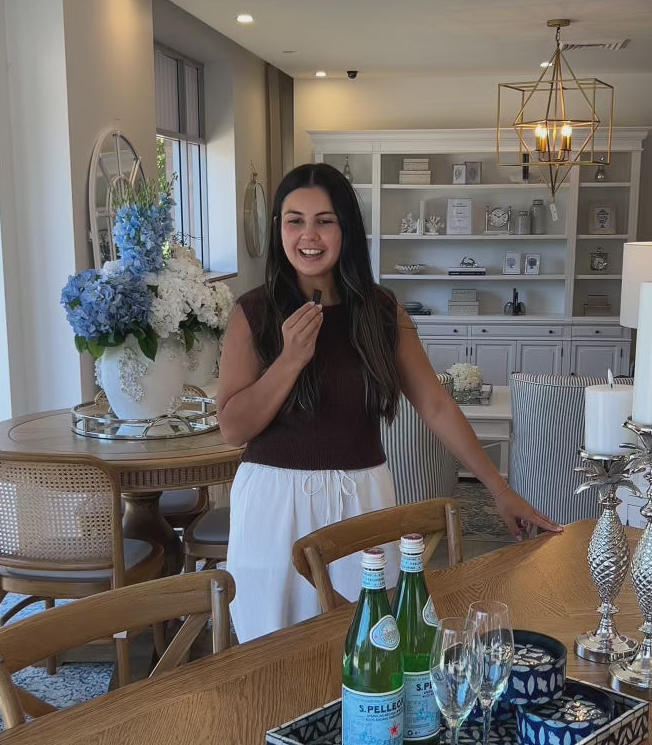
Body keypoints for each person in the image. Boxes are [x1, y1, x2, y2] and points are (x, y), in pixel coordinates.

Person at [217, 163, 561, 643]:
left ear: (347, 229)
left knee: (374, 653)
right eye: (294, 220)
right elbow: (233, 428)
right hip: (275, 506)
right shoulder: (253, 312)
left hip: (363, 500)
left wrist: (498, 489)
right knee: (272, 657)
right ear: (279, 230)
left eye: (325, 220)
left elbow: (436, 405)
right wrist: (289, 360)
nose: (308, 235)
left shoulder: (379, 311)